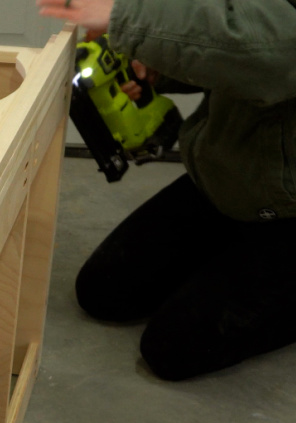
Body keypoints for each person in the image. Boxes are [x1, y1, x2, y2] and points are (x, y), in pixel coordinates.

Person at [36, 0, 296, 380]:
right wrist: (157, 64)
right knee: (105, 291)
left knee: (174, 349)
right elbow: (228, 41)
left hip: (288, 203)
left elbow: (273, 57)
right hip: (232, 178)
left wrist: (129, 18)